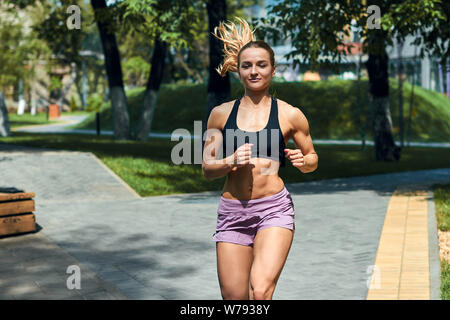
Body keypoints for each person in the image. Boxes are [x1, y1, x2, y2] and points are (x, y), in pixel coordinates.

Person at [202, 17, 318, 300]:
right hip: (232, 214)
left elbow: (312, 155)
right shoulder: (220, 114)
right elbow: (207, 168)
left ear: (273, 70)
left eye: (261, 65)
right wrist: (230, 161)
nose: (254, 71)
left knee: (260, 290)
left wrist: (306, 163)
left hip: (274, 210)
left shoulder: (290, 114)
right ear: (238, 71)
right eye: (247, 65)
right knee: (234, 298)